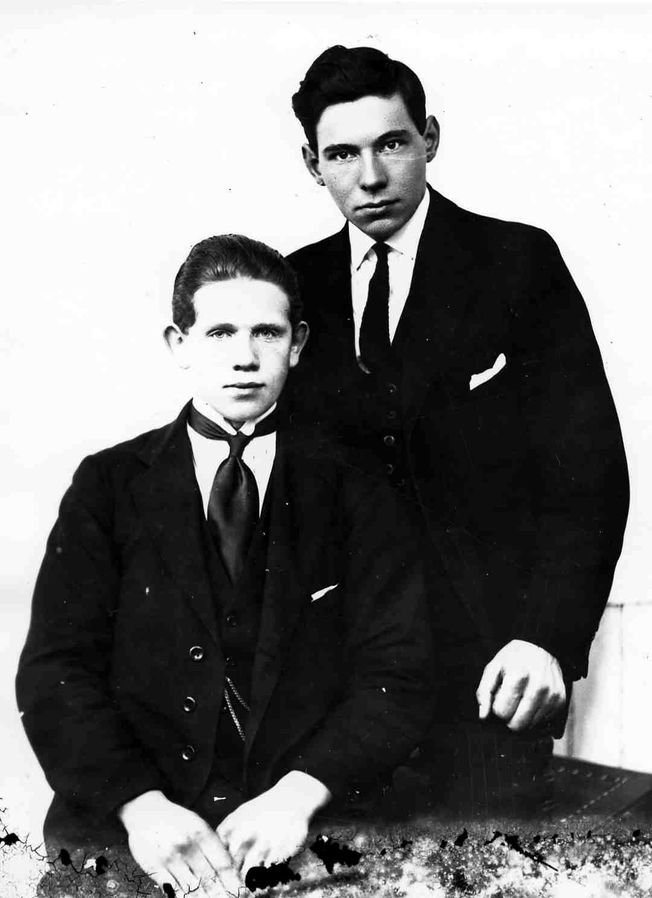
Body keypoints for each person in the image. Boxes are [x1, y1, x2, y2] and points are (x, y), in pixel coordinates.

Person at [16, 234, 435, 895]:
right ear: (178, 344)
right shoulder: (109, 485)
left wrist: (299, 794)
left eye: (266, 332)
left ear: (297, 343)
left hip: (305, 826)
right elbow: (55, 673)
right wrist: (140, 806)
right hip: (134, 828)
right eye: (219, 333)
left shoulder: (356, 487)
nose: (244, 357)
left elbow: (399, 673)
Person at [287, 45, 629, 817]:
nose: (371, 176)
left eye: (392, 143)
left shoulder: (516, 261)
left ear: (431, 138)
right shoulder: (293, 286)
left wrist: (547, 638)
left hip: (491, 678)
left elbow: (590, 475)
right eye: (342, 154)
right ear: (313, 164)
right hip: (334, 688)